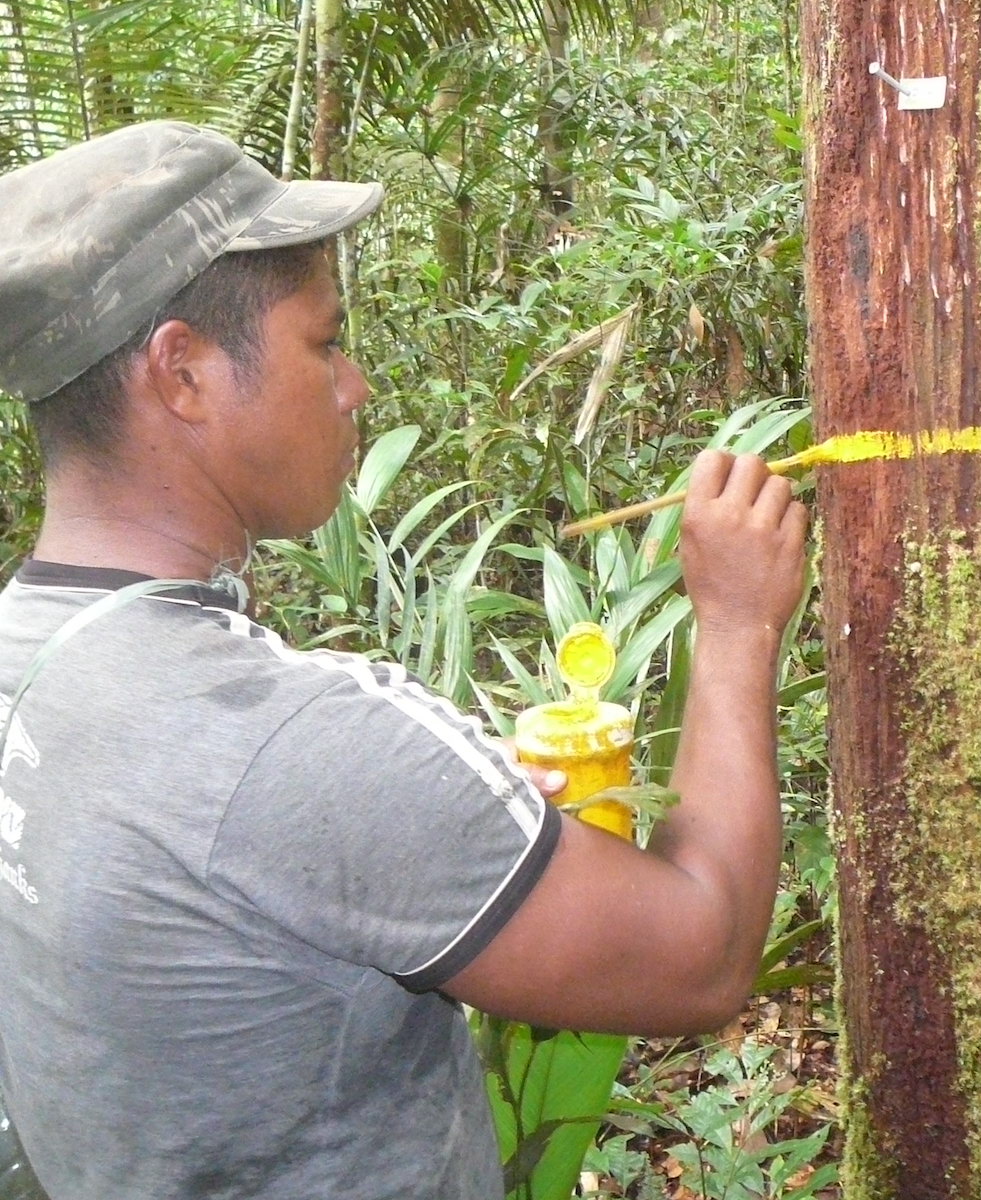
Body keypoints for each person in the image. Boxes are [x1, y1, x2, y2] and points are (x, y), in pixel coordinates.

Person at [0, 121, 808, 1199]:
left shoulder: (31, 656)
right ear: (184, 372)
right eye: (324, 343)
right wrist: (740, 624)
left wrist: (444, 845)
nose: (357, 388)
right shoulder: (294, 739)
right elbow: (700, 958)